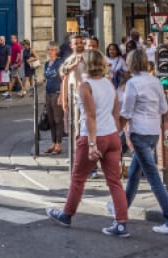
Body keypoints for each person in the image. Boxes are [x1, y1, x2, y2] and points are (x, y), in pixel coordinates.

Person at [46, 49, 131, 237]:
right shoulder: (108, 84)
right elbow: (116, 112)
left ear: (87, 64)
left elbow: (91, 116)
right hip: (111, 135)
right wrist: (115, 133)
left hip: (93, 136)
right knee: (114, 181)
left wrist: (92, 144)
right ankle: (121, 223)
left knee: (78, 178)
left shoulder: (86, 86)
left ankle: (67, 214)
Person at [120, 48, 168, 234]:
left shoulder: (132, 84)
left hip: (139, 131)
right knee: (134, 173)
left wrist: (117, 131)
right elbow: (164, 109)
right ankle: (121, 209)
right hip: (153, 131)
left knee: (153, 178)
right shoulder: (155, 82)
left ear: (131, 64)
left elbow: (126, 112)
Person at [43, 41, 64, 154]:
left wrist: (61, 95)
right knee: (50, 120)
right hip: (48, 93)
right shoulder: (47, 64)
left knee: (58, 120)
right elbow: (46, 79)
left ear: (56, 50)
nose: (50, 52)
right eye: (48, 49)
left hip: (57, 93)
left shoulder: (59, 63)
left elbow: (63, 80)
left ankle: (58, 144)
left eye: (52, 49)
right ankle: (53, 142)